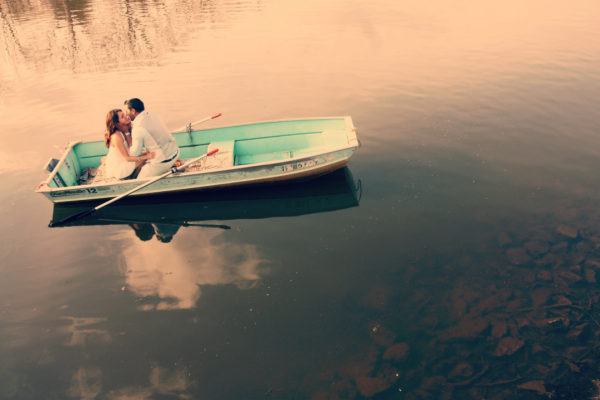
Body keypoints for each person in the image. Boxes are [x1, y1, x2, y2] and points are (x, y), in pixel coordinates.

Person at [124, 98, 180, 179]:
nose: (126, 114)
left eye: (127, 111)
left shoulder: (138, 127)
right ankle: (176, 163)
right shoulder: (154, 115)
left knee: (139, 181)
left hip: (163, 161)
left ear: (133, 111)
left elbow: (136, 153)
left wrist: (127, 134)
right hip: (175, 152)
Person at [104, 109, 155, 180]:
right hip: (120, 167)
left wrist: (145, 153)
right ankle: (133, 178)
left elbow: (132, 150)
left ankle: (134, 176)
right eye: (122, 117)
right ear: (117, 123)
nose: (126, 116)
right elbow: (127, 158)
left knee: (148, 156)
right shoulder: (116, 136)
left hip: (124, 160)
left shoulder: (123, 130)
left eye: (124, 114)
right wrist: (147, 156)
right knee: (147, 159)